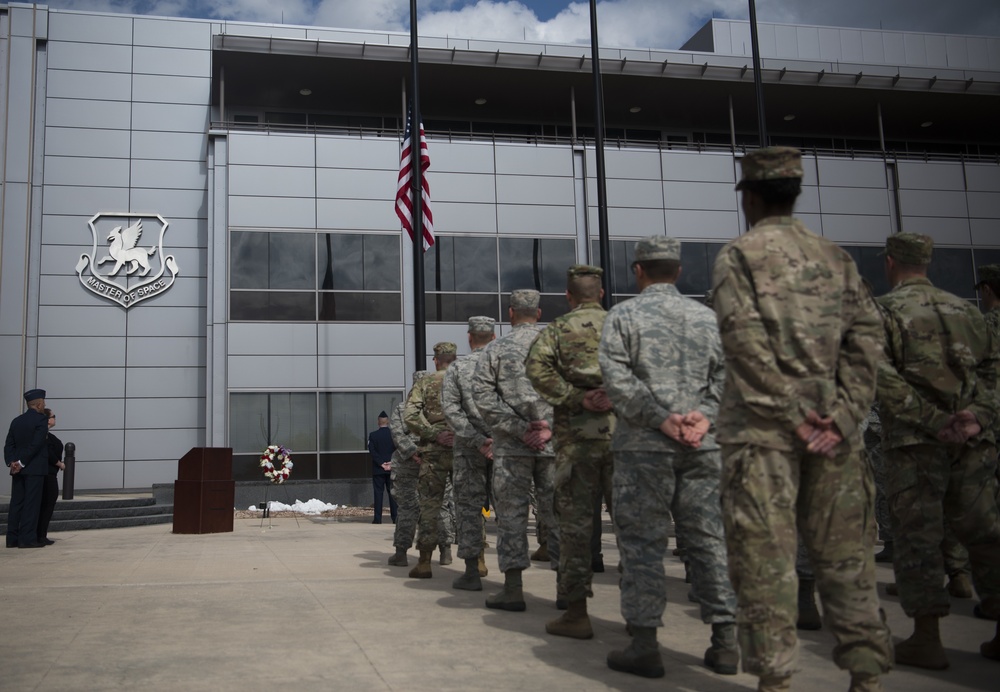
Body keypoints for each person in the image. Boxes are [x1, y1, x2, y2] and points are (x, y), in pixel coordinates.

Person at [712, 146, 892, 692]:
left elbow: (744, 346)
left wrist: (794, 417)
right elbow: (867, 340)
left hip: (764, 437)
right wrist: (840, 417)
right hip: (836, 438)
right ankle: (866, 678)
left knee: (766, 562)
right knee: (848, 560)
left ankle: (777, 682)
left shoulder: (739, 256)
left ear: (752, 197)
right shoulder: (835, 257)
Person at [598, 238, 738, 677]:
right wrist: (703, 417)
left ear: (638, 271)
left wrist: (661, 419)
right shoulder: (706, 318)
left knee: (643, 544)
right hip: (701, 444)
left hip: (645, 448)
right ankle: (726, 641)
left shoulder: (623, 316)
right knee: (708, 539)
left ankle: (645, 644)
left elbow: (616, 379)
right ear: (677, 272)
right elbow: (725, 376)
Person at [876, 232, 1000, 669]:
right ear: (928, 262)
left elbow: (881, 379)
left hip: (915, 446)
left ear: (890, 262)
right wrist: (976, 417)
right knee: (987, 535)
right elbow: (993, 375)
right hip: (973, 443)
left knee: (918, 539)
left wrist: (931, 421)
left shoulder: (884, 311)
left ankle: (927, 639)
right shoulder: (969, 311)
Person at [525, 264, 615, 640]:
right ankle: (644, 626)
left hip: (576, 441)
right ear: (602, 293)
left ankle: (576, 613)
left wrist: (577, 397)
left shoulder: (558, 330)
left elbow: (536, 369)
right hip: (624, 438)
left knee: (576, 526)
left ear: (568, 296)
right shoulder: (623, 326)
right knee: (634, 529)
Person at [472, 289, 557, 612]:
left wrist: (520, 429)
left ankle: (513, 588)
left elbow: (483, 398)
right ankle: (567, 591)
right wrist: (547, 427)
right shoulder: (556, 344)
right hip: (552, 445)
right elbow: (576, 391)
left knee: (512, 518)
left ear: (510, 313)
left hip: (510, 448)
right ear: (538, 312)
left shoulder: (495, 349)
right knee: (558, 516)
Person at [442, 316, 496, 591]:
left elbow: (451, 411)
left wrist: (478, 441)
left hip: (468, 450)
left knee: (470, 509)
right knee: (510, 511)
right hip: (505, 449)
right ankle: (513, 581)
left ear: (469, 337)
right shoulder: (507, 364)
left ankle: (474, 569)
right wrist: (497, 440)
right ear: (494, 337)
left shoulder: (458, 368)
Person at [404, 342, 458, 578]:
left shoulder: (424, 383)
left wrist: (435, 433)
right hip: (464, 452)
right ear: (455, 359)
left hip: (433, 454)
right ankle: (477, 563)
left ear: (435, 360)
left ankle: (425, 562)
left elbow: (410, 416)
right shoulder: (466, 380)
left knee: (429, 507)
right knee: (470, 506)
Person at [387, 371, 429, 566]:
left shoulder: (403, 408)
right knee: (437, 507)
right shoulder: (438, 408)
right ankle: (442, 551)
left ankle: (401, 553)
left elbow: (396, 434)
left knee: (407, 509)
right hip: (432, 463)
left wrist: (413, 452)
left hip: (407, 464)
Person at [5, 388, 50, 549]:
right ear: (38, 405)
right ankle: (27, 538)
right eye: (43, 403)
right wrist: (23, 462)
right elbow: (36, 444)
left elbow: (9, 444)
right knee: (31, 504)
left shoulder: (16, 421)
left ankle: (12, 538)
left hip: (17, 469)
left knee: (17, 503)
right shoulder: (40, 420)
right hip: (34, 467)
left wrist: (12, 462)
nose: (44, 405)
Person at [36, 408, 66, 545]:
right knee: (47, 504)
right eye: (54, 416)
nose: (55, 418)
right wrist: (59, 464)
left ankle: (41, 534)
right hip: (48, 474)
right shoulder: (43, 436)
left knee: (46, 504)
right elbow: (48, 453)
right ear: (48, 419)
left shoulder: (48, 435)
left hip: (49, 473)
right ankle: (40, 535)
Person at [367, 411, 398, 524]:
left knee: (378, 493)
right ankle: (395, 518)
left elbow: (372, 451)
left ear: (378, 422)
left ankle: (377, 519)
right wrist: (390, 463)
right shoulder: (394, 435)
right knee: (393, 494)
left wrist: (381, 463)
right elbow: (398, 449)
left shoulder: (373, 435)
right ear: (388, 421)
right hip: (392, 468)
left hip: (378, 469)